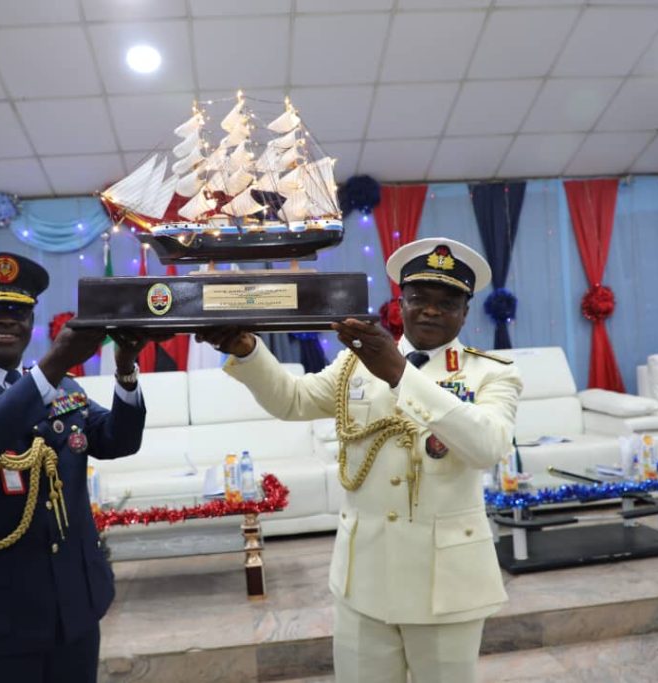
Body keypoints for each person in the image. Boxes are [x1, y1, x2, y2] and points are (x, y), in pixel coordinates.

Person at [199, 238, 522, 683]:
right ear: (401, 304)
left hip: (446, 586)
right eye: (419, 299)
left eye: (446, 303)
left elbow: (488, 446)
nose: (430, 311)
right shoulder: (354, 365)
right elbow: (293, 400)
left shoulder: (492, 372)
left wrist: (400, 373)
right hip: (364, 581)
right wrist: (247, 350)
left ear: (465, 313)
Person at [0, 252, 158, 682]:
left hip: (72, 604)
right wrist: (51, 367)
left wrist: (126, 370)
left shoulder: (63, 386)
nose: (6, 319)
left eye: (18, 310)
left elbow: (118, 440)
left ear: (31, 320)